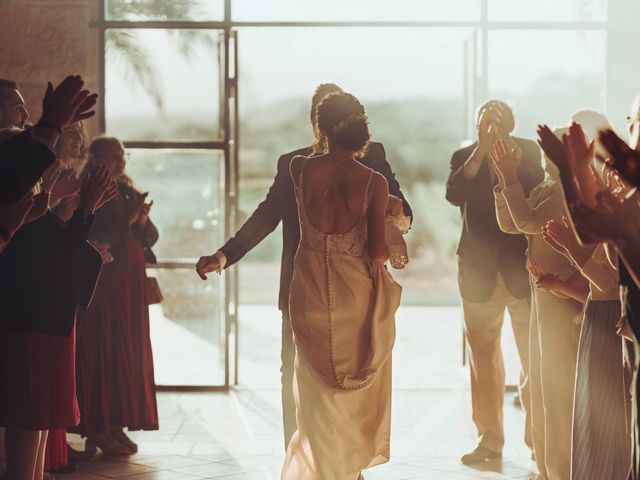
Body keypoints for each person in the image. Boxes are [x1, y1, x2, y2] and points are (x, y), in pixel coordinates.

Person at [196, 83, 411, 449]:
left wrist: (396, 215)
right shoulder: (293, 164)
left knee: (351, 376)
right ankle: (298, 455)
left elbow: (403, 209)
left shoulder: (372, 156)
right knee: (293, 374)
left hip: (354, 291)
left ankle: (345, 462)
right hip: (302, 285)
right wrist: (224, 255)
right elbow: (266, 217)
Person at [279, 91, 400, 480]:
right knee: (351, 394)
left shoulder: (299, 168)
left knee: (314, 392)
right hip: (353, 295)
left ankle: (322, 469)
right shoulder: (372, 181)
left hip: (309, 289)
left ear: (322, 126)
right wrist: (388, 221)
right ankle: (347, 471)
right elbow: (378, 253)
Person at [0, 166, 115, 480]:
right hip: (30, 320)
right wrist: (86, 209)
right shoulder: (20, 208)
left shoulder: (37, 209)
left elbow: (61, 247)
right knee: (28, 416)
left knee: (40, 420)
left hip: (47, 319)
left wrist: (79, 210)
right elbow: (59, 253)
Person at [446, 100, 544, 465]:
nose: (490, 127)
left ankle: (539, 441)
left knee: (533, 358)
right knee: (482, 360)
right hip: (477, 272)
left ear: (511, 123)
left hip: (523, 268)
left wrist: (510, 161)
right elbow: (454, 193)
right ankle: (489, 441)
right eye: (484, 122)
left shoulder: (529, 151)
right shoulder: (463, 157)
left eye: (497, 121)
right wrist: (482, 151)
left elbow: (536, 192)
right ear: (476, 126)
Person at [491, 132, 585, 480]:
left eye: (550, 151)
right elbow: (512, 224)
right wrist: (504, 180)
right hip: (544, 293)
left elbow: (529, 222)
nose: (545, 157)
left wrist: (511, 175)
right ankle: (548, 465)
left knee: (556, 386)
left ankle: (560, 469)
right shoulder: (549, 186)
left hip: (561, 295)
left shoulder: (566, 190)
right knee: (541, 383)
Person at [73, 137, 159, 455]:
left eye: (123, 157)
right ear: (95, 159)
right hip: (104, 283)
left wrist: (142, 220)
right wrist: (130, 219)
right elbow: (92, 233)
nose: (120, 163)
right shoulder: (88, 189)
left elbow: (151, 236)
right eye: (113, 158)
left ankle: (117, 424)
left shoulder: (125, 188)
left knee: (126, 351)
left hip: (129, 285)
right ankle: (97, 427)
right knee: (103, 351)